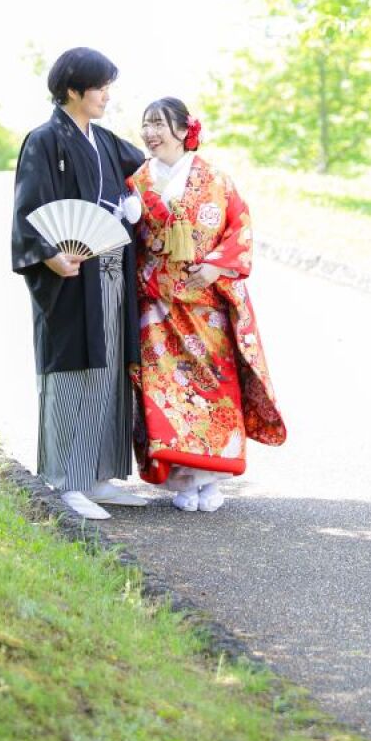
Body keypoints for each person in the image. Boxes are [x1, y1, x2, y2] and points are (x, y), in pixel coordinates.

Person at [128, 97, 286, 513]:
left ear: (184, 130)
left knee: (212, 389)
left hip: (206, 306)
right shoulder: (137, 182)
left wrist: (216, 267)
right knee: (166, 393)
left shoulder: (215, 180)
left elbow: (239, 228)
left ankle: (211, 480)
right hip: (158, 307)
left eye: (159, 124)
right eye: (146, 124)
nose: (150, 133)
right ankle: (182, 480)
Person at [11, 47, 147, 520]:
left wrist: (133, 201)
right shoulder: (45, 140)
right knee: (74, 369)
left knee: (109, 371)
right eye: (100, 87)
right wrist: (49, 256)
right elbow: (29, 208)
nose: (107, 96)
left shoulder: (104, 140)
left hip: (111, 270)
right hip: (70, 273)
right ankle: (66, 480)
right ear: (73, 89)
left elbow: (142, 170)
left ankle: (98, 476)